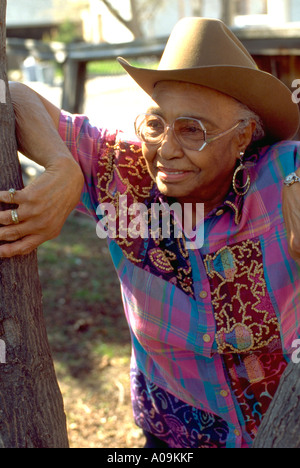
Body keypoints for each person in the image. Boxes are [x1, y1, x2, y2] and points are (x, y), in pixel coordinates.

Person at [1, 17, 300, 448]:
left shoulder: (282, 173)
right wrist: (61, 164)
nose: (167, 149)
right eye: (157, 123)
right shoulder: (119, 172)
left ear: (243, 137)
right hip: (169, 444)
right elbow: (10, 93)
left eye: (192, 129)